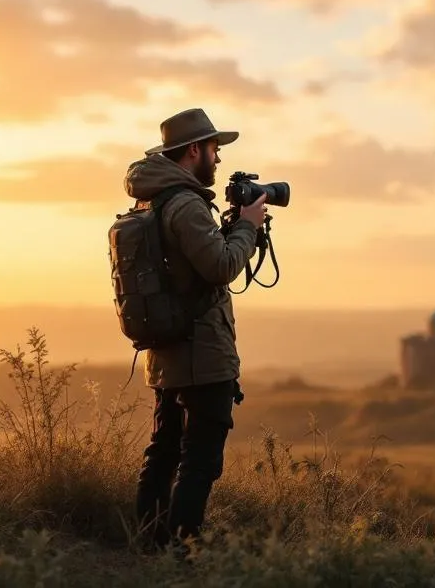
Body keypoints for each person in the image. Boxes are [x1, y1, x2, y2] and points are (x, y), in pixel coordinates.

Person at [123, 107, 268, 554]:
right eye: (213, 149)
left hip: (166, 351)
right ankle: (182, 554)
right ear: (193, 151)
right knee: (199, 461)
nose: (218, 159)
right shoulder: (185, 204)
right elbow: (220, 266)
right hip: (202, 354)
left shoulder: (152, 199)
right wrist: (247, 226)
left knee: (164, 450)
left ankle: (148, 546)